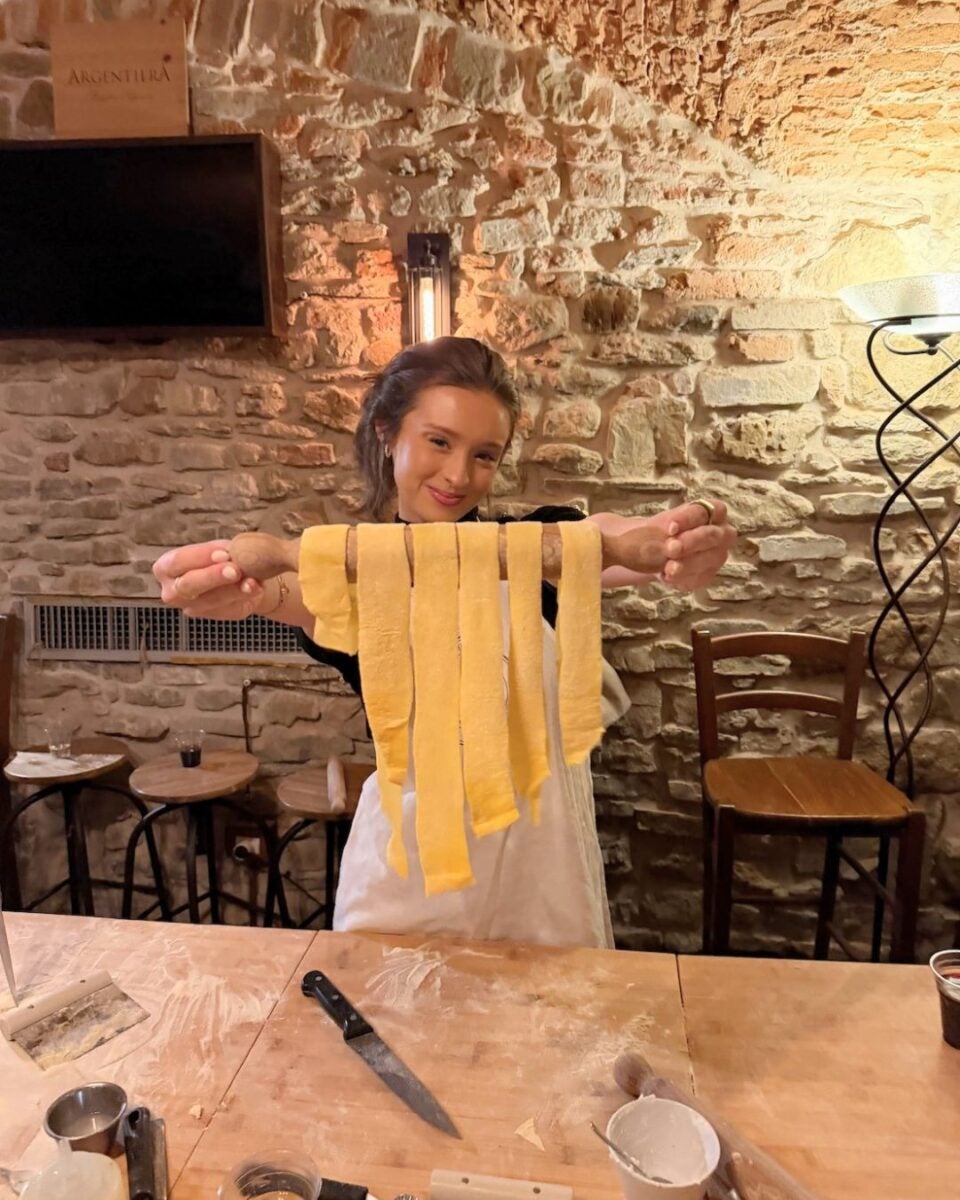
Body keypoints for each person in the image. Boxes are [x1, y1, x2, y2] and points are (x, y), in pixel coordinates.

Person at [153, 337, 736, 948]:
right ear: (387, 432)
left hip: (538, 881)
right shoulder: (350, 573)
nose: (459, 475)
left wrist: (679, 538)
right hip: (410, 882)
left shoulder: (538, 550)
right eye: (439, 441)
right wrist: (232, 586)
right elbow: (281, 591)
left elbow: (612, 539)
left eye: (484, 455)